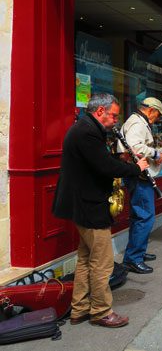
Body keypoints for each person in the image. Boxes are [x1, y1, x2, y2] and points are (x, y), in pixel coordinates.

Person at [52, 93, 148, 328]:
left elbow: (98, 161)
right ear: (100, 112)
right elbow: (104, 166)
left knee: (86, 258)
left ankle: (80, 308)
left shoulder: (85, 128)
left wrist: (121, 160)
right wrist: (135, 167)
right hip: (89, 205)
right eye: (113, 115)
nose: (116, 120)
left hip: (82, 203)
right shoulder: (87, 132)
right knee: (103, 262)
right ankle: (101, 311)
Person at [118, 97, 162, 274]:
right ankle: (133, 258)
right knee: (145, 217)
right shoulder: (137, 124)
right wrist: (155, 152)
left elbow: (141, 148)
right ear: (151, 110)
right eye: (157, 114)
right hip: (139, 176)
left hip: (139, 175)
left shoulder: (138, 121)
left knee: (140, 216)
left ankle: (137, 252)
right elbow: (134, 146)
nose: (158, 118)